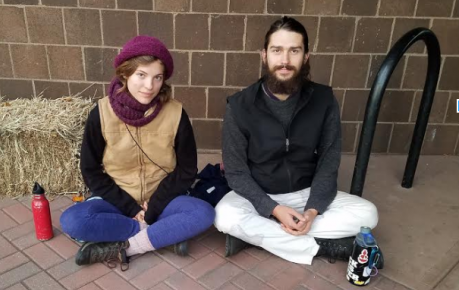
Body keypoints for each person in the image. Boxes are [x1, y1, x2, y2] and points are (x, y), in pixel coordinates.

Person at [214, 17, 382, 266]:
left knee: (369, 214)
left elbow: (329, 160)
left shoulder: (323, 99)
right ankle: (323, 248)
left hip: (307, 192)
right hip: (261, 192)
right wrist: (273, 208)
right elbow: (236, 172)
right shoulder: (240, 106)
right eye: (277, 50)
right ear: (264, 55)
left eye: (294, 50)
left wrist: (313, 210)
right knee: (224, 216)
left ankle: (257, 237)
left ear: (306, 57)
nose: (284, 60)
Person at [61, 35, 215, 269]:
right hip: (117, 200)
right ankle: (162, 236)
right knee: (73, 220)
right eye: (141, 75)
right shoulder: (101, 113)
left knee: (203, 213)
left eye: (157, 78)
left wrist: (153, 207)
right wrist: (131, 208)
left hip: (163, 200)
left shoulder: (176, 113)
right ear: (125, 74)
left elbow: (187, 169)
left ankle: (128, 247)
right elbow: (90, 170)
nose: (149, 86)